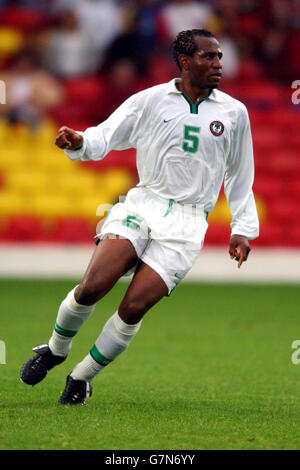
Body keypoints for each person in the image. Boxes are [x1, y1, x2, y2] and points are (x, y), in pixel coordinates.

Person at [20, 29, 259, 405]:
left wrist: (242, 229)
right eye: (208, 57)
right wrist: (80, 141)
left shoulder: (234, 113)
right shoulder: (150, 100)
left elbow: (240, 175)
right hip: (142, 205)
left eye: (219, 58)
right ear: (185, 61)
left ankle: (81, 376)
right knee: (93, 287)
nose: (217, 65)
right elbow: (105, 135)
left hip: (187, 223)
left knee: (133, 308)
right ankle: (55, 349)